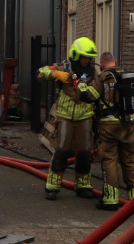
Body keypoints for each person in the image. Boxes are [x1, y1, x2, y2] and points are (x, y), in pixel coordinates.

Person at [38, 37, 100, 199]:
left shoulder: (93, 73)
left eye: (89, 58)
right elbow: (41, 73)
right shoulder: (64, 67)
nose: (87, 61)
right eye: (84, 57)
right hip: (65, 117)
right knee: (62, 151)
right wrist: (55, 73)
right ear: (76, 55)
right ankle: (52, 186)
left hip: (85, 117)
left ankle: (83, 185)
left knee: (84, 153)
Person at [94, 51, 134, 210]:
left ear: (102, 64)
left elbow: (89, 95)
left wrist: (82, 86)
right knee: (129, 160)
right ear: (115, 61)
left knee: (109, 160)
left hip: (109, 126)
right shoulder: (129, 76)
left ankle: (110, 200)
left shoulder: (102, 78)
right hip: (128, 126)